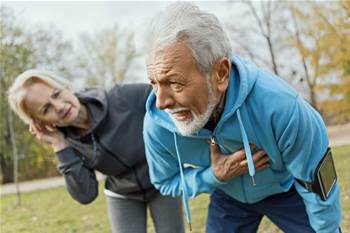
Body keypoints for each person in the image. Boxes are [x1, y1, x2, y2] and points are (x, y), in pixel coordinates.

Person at [142, 2, 342, 233]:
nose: (161, 102)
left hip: (287, 190)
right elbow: (165, 182)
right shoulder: (157, 125)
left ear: (221, 73)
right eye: (154, 84)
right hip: (229, 197)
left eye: (175, 83)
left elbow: (318, 183)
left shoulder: (282, 108)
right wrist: (213, 176)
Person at [7, 69, 185, 233]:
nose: (59, 106)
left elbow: (173, 104)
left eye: (57, 94)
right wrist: (60, 146)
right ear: (40, 123)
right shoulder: (68, 143)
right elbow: (86, 195)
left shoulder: (123, 97)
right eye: (46, 109)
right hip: (122, 194)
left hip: (162, 183)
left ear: (66, 87)